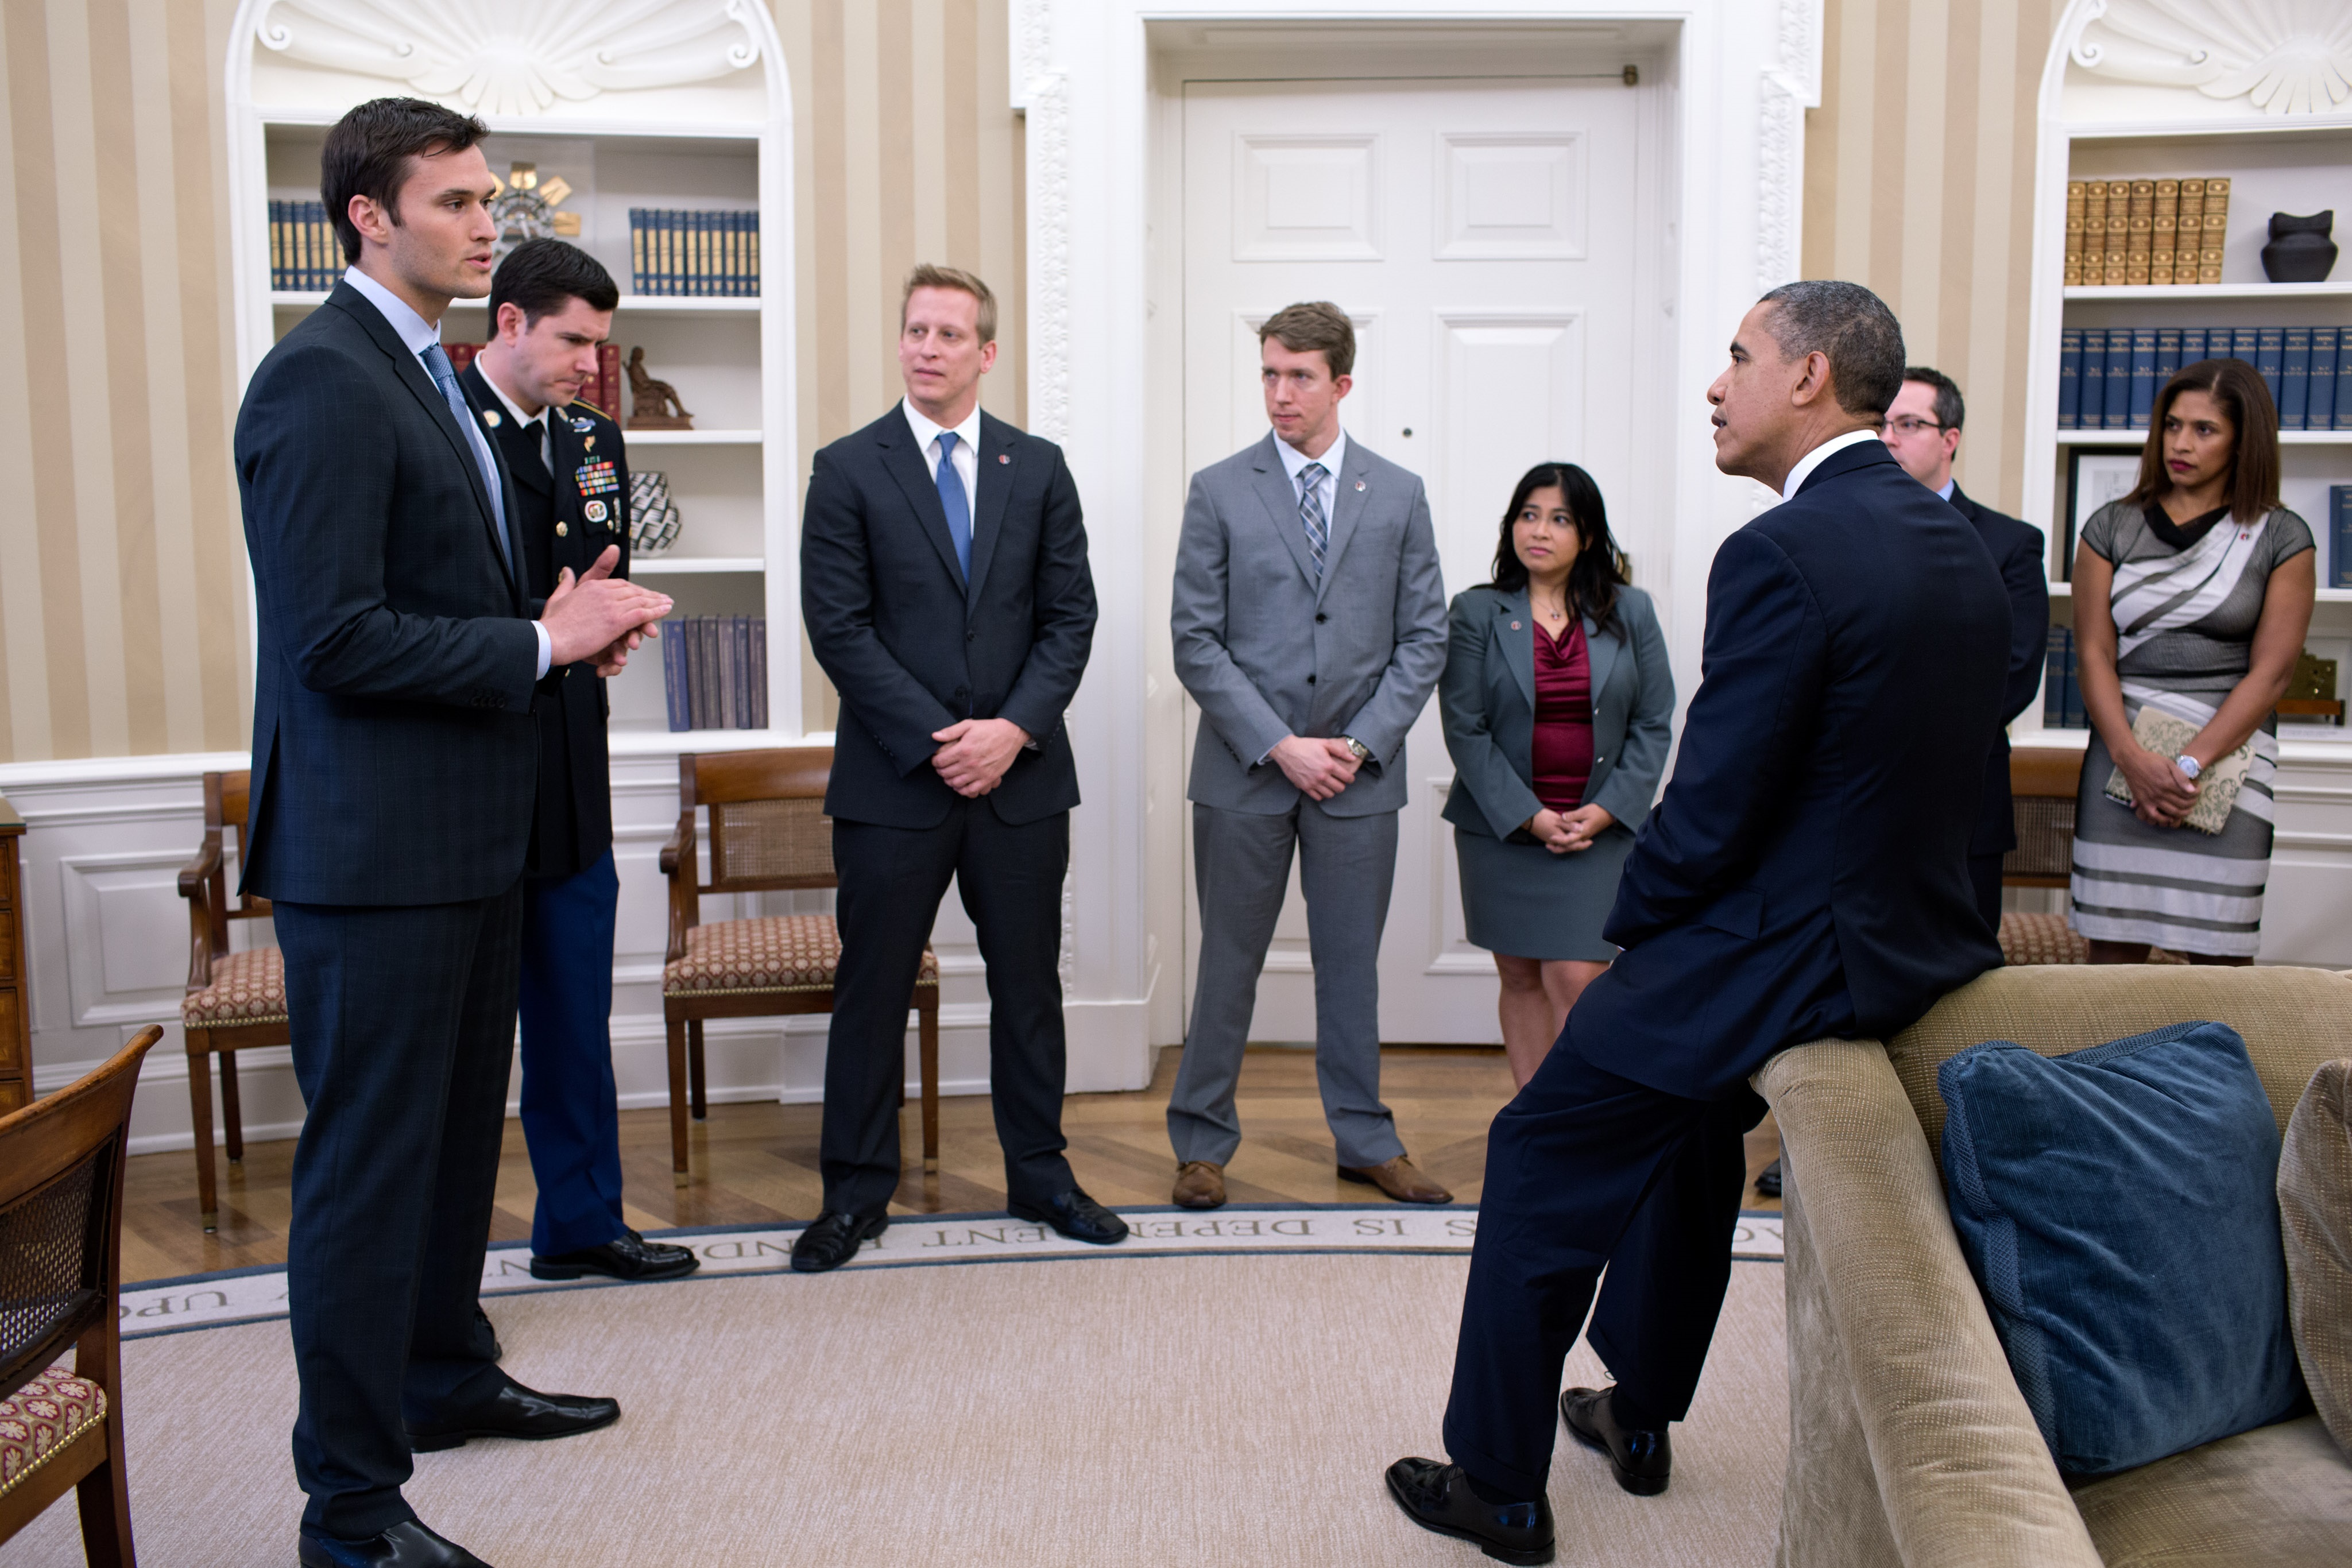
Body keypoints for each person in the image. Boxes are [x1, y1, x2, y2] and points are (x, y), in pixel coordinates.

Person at [1384, 281, 2010, 1564]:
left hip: (1781, 952)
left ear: (1810, 377)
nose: (1715, 385)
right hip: (1915, 945)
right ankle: (1638, 1412)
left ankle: (1496, 1483)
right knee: (1684, 1141)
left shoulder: (1778, 549)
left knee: (1540, 1150)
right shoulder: (1954, 539)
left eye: (1737, 357)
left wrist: (1635, 924)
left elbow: (1717, 802)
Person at [236, 98, 671, 1568]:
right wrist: (537, 652)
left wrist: (555, 633)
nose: (490, 222)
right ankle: (350, 1515)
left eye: (490, 200)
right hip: (374, 863)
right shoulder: (320, 383)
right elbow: (335, 640)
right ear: (368, 213)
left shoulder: (423, 376)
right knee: (369, 1178)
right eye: (458, 200)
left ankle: (441, 1377)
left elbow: (456, 605)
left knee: (441, 1160)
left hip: (468, 841)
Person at [796, 263, 1121, 1271]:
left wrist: (1010, 733)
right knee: (873, 989)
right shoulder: (848, 467)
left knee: (1029, 989)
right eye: (915, 331)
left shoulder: (1041, 466)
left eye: (949, 333)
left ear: (986, 352)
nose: (928, 347)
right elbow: (839, 630)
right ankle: (853, 1195)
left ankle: (1043, 1176)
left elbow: (1071, 618)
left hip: (1020, 783)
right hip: (895, 782)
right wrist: (945, 741)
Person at [1165, 301, 1449, 1211]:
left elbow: (1425, 638)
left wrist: (1358, 744)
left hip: (1359, 781)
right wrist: (1283, 746)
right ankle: (1201, 1144)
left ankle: (1366, 1138)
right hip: (1247, 770)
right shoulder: (1218, 488)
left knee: (1349, 966)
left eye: (1298, 375)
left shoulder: (1398, 492)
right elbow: (1195, 640)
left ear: (1342, 383)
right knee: (1228, 962)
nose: (1280, 393)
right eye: (1269, 373)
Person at [460, 239, 698, 1286]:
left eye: (604, 346)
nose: (595, 367)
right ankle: (441, 1270)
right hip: (463, 785)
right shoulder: (439, 425)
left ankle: (581, 1223)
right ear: (509, 322)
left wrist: (609, 630)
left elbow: (599, 570)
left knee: (574, 1024)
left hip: (569, 776)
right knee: (462, 1053)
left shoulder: (596, 438)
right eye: (575, 342)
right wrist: (547, 630)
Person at [2068, 357, 2314, 964]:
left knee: (2220, 964)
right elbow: (2094, 651)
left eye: (2204, 430)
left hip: (2227, 761)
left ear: (2242, 440)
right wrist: (2132, 757)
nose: (2180, 443)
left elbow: (2273, 673)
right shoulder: (2111, 526)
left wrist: (2185, 765)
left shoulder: (2282, 536)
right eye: (2172, 425)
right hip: (2119, 757)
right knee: (2108, 971)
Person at [1439, 463, 1673, 1088]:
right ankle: (1534, 1126)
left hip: (1599, 831)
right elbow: (1465, 726)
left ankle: (1578, 1129)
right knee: (1517, 975)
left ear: (1589, 535)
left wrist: (1605, 810)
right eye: (1528, 514)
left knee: (1577, 977)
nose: (1539, 530)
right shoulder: (1476, 612)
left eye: (1560, 518)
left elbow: (1654, 721)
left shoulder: (1633, 611)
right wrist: (1530, 816)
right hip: (1505, 833)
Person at [1882, 365, 2051, 935]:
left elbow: (2016, 673)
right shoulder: (1847, 531)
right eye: (1879, 424)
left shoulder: (2009, 544)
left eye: (1907, 424)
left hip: (1963, 798)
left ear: (1949, 438)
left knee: (1964, 967)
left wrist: (1893, 725)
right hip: (1860, 801)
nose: (1888, 438)